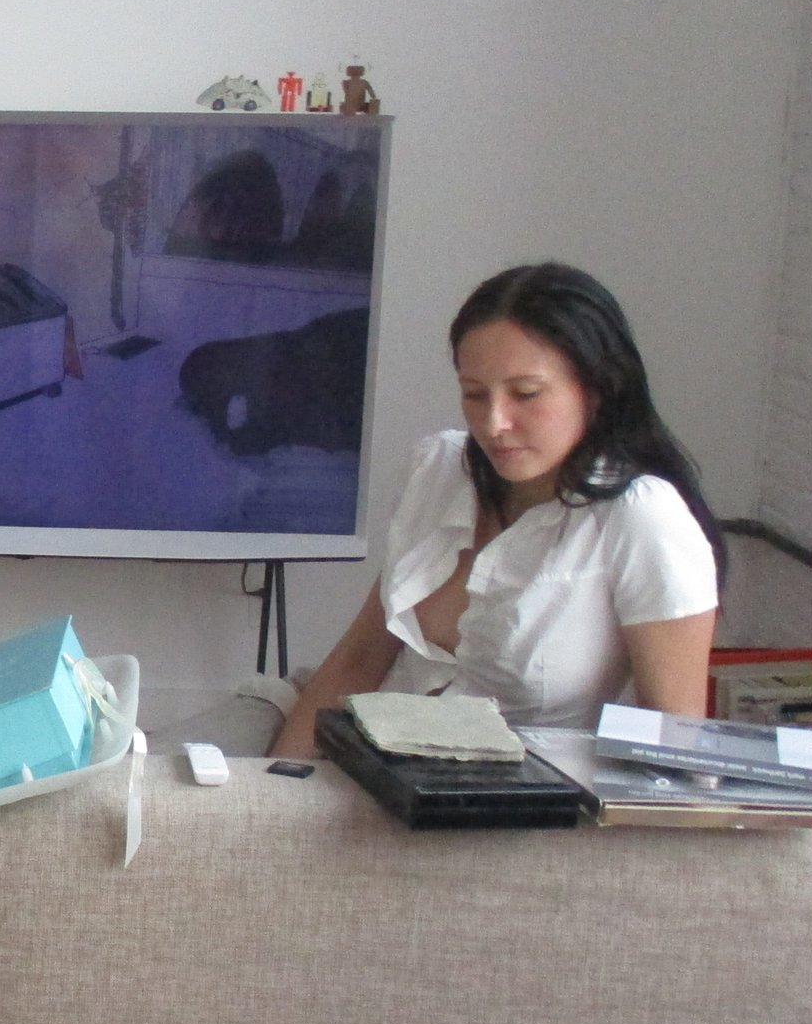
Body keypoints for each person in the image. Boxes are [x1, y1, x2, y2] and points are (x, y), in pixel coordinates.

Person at [270, 262, 721, 757]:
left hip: (517, 795)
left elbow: (673, 751)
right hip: (367, 762)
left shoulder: (642, 518)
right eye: (474, 394)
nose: (494, 423)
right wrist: (280, 783)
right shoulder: (441, 468)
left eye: (526, 394)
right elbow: (360, 658)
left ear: (597, 389)